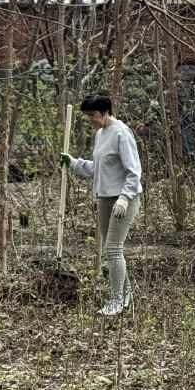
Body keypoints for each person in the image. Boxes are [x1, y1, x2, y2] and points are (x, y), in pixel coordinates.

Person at [63, 95, 143, 317]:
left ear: (106, 112)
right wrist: (74, 163)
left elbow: (134, 171)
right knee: (112, 249)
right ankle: (126, 294)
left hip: (124, 199)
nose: (91, 120)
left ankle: (117, 300)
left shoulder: (121, 133)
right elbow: (98, 169)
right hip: (106, 198)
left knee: (113, 249)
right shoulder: (100, 134)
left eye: (93, 115)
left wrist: (125, 198)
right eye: (88, 116)